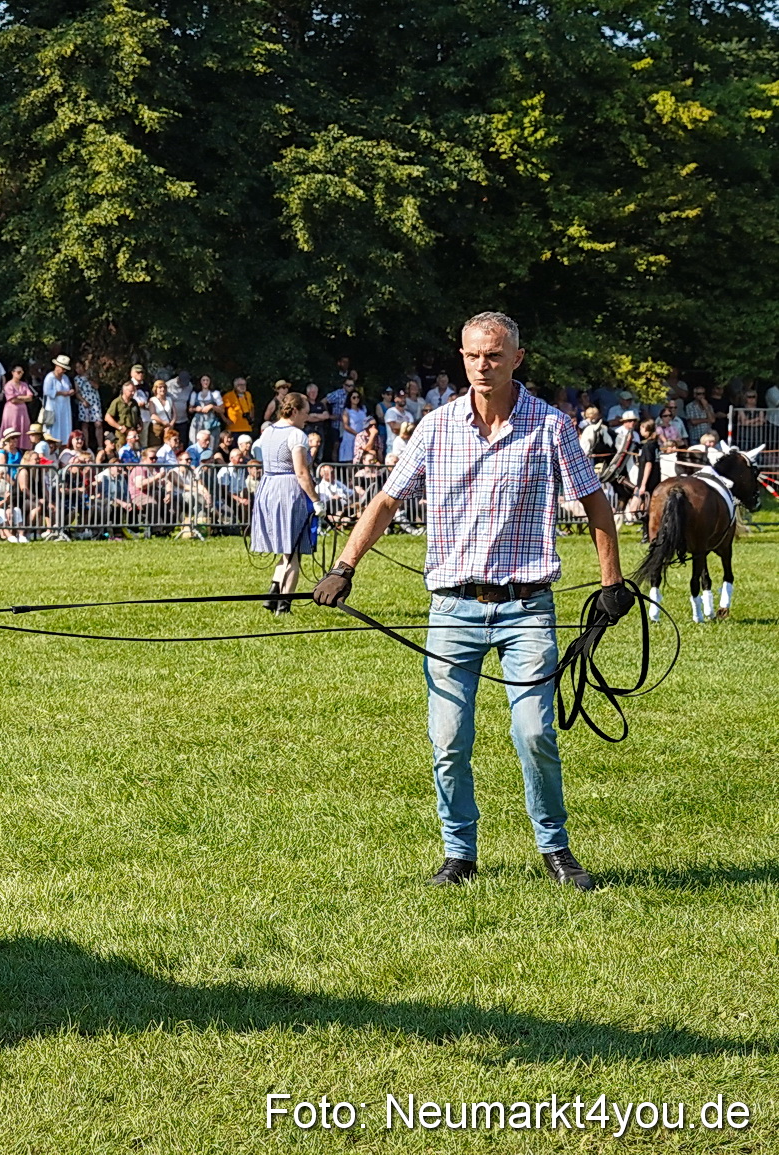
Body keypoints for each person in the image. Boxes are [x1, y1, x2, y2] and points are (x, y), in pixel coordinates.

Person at [312, 312, 632, 891]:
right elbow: (386, 501)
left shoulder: (552, 426)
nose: (482, 365)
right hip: (452, 609)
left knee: (534, 733)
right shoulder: (435, 427)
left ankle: (555, 848)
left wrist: (611, 582)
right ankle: (459, 853)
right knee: (448, 739)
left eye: (494, 355)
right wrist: (344, 566)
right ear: (461, 357)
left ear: (517, 357)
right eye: (472, 355)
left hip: (527, 607)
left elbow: (595, 504)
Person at [251, 392, 320, 612]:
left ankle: (272, 595)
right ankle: (284, 605)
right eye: (305, 413)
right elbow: (301, 472)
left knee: (286, 549)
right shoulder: (297, 435)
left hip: (268, 487)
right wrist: (316, 500)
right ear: (296, 411)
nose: (307, 417)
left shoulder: (268, 431)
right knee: (293, 551)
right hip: (289, 491)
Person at [0, 365, 36, 453]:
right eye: (18, 372)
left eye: (22, 372)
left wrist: (19, 397)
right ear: (13, 373)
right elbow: (12, 400)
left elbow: (30, 398)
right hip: (11, 411)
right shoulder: (8, 385)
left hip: (22, 412)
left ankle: (23, 448)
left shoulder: (24, 384)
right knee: (12, 427)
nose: (20, 374)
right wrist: (23, 398)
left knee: (24, 427)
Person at [41, 355, 76, 445]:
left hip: (64, 407)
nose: (64, 371)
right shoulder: (50, 377)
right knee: (52, 428)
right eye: (62, 368)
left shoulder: (65, 378)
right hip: (52, 407)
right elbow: (47, 391)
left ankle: (64, 444)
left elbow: (69, 387)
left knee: (64, 426)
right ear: (57, 366)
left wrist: (71, 391)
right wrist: (61, 393)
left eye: (65, 369)